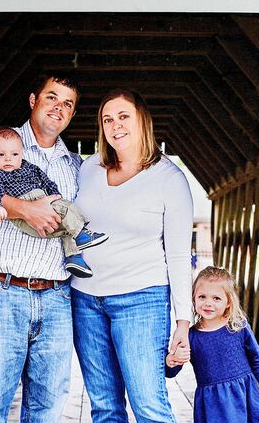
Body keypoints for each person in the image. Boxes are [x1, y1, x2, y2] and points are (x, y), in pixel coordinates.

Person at [0, 73, 82, 423]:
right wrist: (25, 209)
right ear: (32, 100)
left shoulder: (74, 166)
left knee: (48, 409)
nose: (59, 107)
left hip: (57, 297)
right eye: (51, 97)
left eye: (68, 103)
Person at [72, 89, 194, 422]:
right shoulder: (89, 168)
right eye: (107, 119)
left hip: (140, 300)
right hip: (85, 301)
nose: (115, 126)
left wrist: (183, 323)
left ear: (143, 119)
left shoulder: (169, 179)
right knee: (104, 408)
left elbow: (180, 256)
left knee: (149, 406)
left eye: (123, 116)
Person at [0, 126, 108, 278]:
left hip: (44, 203)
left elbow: (47, 182)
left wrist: (55, 196)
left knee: (66, 225)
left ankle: (73, 258)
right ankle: (82, 235)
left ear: (21, 154)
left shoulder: (30, 168)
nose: (8, 158)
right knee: (67, 211)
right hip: (24, 214)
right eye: (0, 154)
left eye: (14, 154)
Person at [165, 266, 259, 423]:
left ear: (228, 302)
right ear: (193, 299)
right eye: (202, 297)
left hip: (243, 397)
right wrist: (171, 360)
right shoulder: (191, 336)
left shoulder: (238, 327)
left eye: (216, 298)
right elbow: (171, 371)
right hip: (212, 404)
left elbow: (257, 358)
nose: (208, 303)